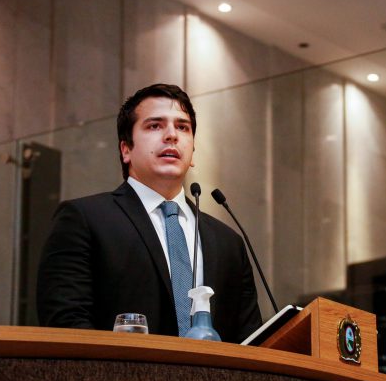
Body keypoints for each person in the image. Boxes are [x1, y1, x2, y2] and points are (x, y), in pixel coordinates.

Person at [37, 84, 262, 343]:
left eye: (183, 127)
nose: (171, 135)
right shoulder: (84, 219)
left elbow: (251, 341)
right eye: (155, 126)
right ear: (126, 149)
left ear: (192, 152)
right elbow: (66, 323)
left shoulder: (229, 242)